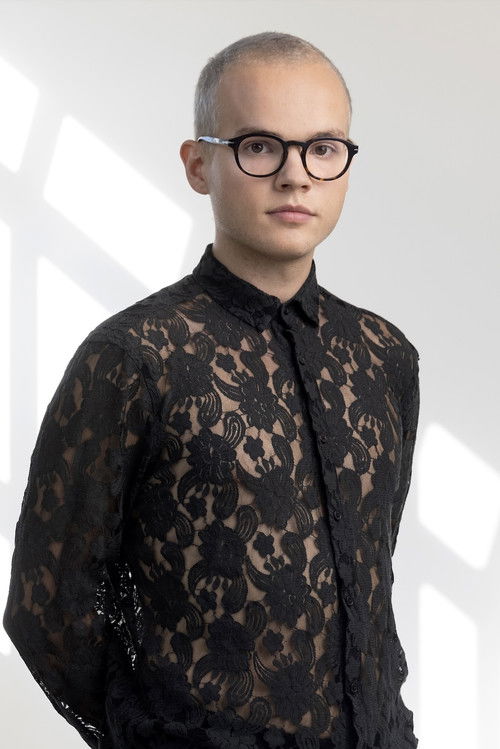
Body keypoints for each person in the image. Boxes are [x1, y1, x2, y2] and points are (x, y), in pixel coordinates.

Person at [3, 31, 420, 749]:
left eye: (322, 149)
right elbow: (49, 608)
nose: (295, 177)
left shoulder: (385, 356)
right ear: (199, 165)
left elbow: (369, 574)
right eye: (260, 146)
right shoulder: (132, 357)